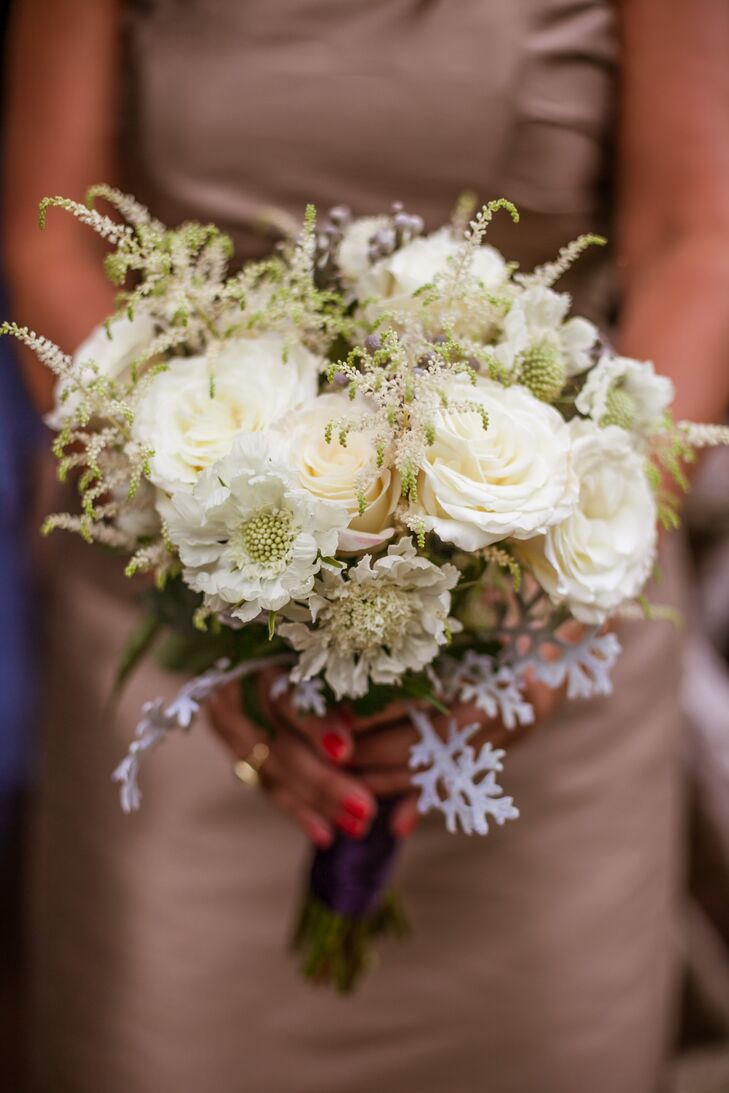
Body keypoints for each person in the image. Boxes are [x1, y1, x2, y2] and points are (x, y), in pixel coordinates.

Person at [4, 1, 729, 1090]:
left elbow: (695, 239)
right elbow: (50, 232)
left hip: (543, 662)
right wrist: (209, 574)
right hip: (177, 649)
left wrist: (545, 614)